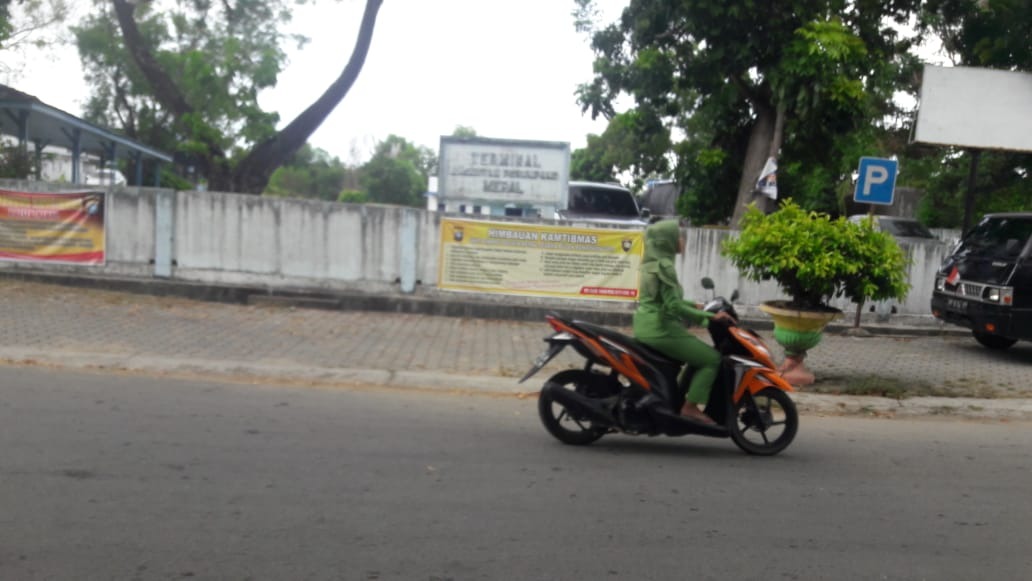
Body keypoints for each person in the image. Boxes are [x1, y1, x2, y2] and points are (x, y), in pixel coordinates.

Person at [632, 220, 736, 425]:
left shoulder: (650, 264)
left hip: (645, 325)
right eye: (678, 236)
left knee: (696, 356)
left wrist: (697, 305)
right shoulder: (665, 267)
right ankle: (690, 407)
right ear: (667, 241)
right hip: (661, 328)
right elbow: (674, 307)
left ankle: (678, 397)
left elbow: (665, 300)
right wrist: (710, 317)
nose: (682, 239)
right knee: (712, 359)